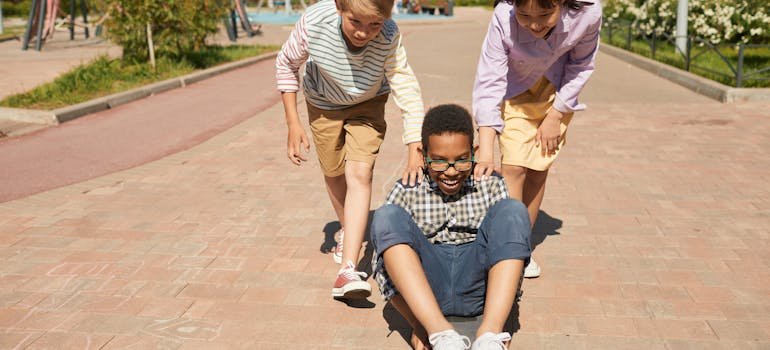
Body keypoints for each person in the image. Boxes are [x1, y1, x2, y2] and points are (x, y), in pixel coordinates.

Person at [275, 0, 425, 299]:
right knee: (333, 172)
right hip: (323, 103)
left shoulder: (389, 35)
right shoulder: (316, 22)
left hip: (368, 103)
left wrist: (415, 144)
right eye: (356, 22)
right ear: (340, 8)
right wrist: (293, 122)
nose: (364, 33)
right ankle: (347, 229)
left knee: (360, 173)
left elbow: (405, 85)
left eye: (375, 25)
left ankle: (348, 268)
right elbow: (286, 64)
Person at [370, 104, 531, 350]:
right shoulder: (407, 189)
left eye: (461, 160)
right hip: (427, 292)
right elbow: (383, 268)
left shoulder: (489, 185)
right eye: (440, 162)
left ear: (474, 153)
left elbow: (510, 250)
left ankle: (490, 334)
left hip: (477, 288)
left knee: (513, 211)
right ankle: (440, 332)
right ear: (423, 157)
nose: (451, 171)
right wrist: (417, 323)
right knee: (386, 216)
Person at [472, 0, 602, 278]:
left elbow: (581, 65)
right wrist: (485, 150)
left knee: (537, 170)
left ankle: (522, 243)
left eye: (545, 14)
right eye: (524, 15)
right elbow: (489, 80)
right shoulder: (503, 16)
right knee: (514, 168)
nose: (533, 24)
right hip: (515, 94)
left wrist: (556, 116)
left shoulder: (588, 13)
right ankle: (510, 249)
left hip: (557, 97)